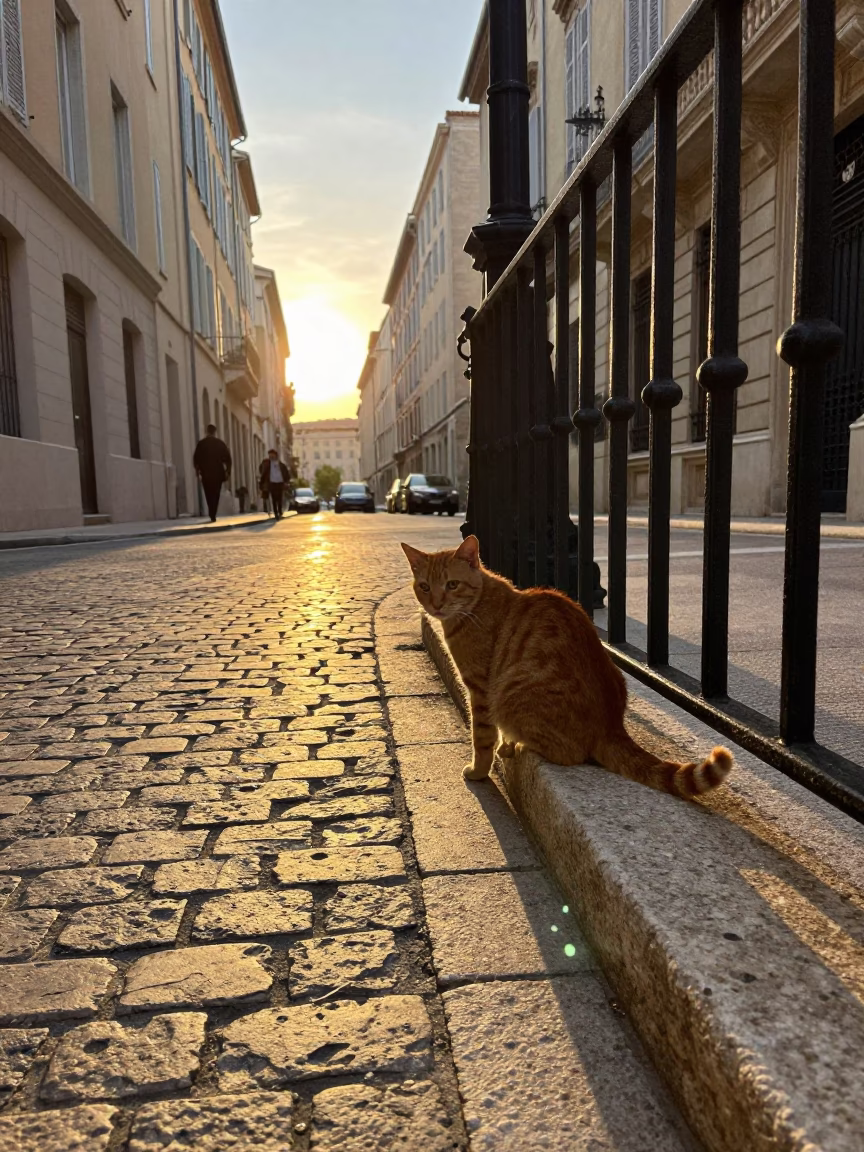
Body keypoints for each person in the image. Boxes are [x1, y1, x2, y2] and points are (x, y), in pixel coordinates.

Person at [193, 424, 231, 522]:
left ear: (207, 431)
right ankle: (213, 512)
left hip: (206, 473)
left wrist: (197, 470)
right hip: (218, 473)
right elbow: (228, 458)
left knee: (208, 493)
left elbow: (196, 458)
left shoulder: (201, 444)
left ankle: (211, 511)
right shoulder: (220, 443)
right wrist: (227, 471)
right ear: (215, 432)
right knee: (216, 493)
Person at [259, 449, 291, 520]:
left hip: (280, 483)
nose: (271, 457)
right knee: (273, 499)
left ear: (276, 455)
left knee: (279, 498)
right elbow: (263, 472)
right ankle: (276, 513)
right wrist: (262, 483)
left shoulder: (281, 465)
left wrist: (286, 482)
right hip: (272, 483)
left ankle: (279, 511)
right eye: (270, 455)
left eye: (272, 455)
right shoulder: (267, 464)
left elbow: (286, 474)